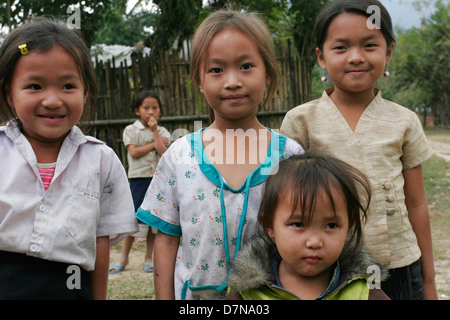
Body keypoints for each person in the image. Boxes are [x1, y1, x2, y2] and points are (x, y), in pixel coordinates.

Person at [136, 8, 303, 300]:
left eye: (246, 66)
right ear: (199, 80)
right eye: (216, 70)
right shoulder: (179, 156)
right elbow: (166, 240)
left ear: (268, 73)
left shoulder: (291, 156)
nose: (232, 81)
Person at [280, 0, 437, 300]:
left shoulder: (404, 121)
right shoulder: (301, 122)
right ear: (321, 57)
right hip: (332, 270)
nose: (355, 57)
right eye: (340, 48)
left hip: (401, 266)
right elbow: (288, 205)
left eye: (369, 45)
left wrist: (429, 283)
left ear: (389, 51)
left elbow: (416, 205)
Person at [0, 18, 138, 299]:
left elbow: (100, 245)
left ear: (85, 92)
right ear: (10, 94)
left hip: (71, 287)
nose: (52, 100)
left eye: (67, 86)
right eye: (35, 86)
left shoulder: (102, 160)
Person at [227, 152, 390, 300]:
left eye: (331, 225)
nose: (314, 242)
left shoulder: (366, 291)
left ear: (349, 226)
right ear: (269, 226)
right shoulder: (246, 293)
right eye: (298, 224)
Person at [109, 90, 170, 274]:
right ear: (137, 111)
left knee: (152, 221)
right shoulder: (130, 130)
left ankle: (148, 258)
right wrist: (154, 142)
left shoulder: (162, 131)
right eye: (146, 108)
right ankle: (124, 258)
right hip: (138, 179)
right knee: (133, 218)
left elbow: (164, 153)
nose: (151, 112)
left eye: (155, 108)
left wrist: (155, 133)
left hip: (157, 179)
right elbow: (134, 152)